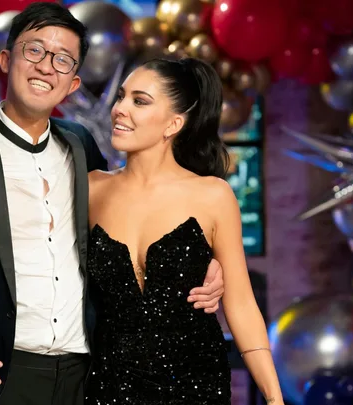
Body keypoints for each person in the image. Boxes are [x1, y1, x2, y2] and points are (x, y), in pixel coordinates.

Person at [0, 3, 225, 405]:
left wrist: (205, 263)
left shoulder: (82, 145)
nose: (46, 66)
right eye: (34, 50)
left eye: (63, 60)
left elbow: (129, 222)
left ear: (72, 83)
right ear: (6, 59)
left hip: (88, 378)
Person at [85, 57, 283, 405]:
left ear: (173, 123)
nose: (119, 109)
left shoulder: (212, 195)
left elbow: (240, 303)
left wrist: (274, 397)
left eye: (139, 101)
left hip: (196, 382)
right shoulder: (89, 189)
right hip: (109, 383)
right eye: (121, 97)